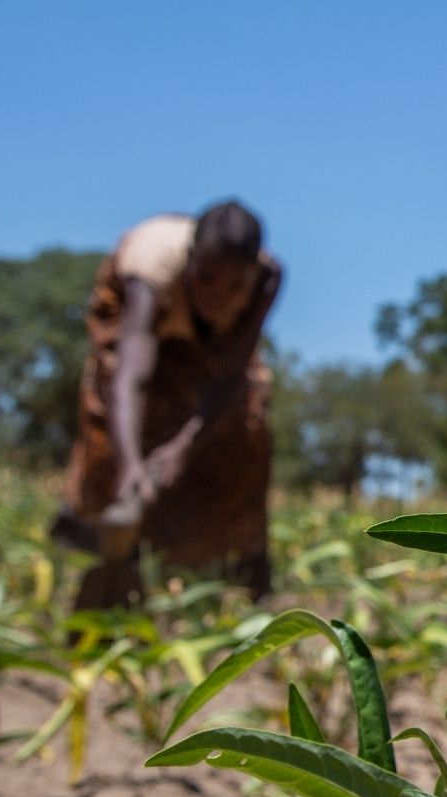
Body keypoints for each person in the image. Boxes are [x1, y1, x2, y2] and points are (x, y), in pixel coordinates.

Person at [52, 200, 283, 608]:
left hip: (212, 352)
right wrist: (130, 467)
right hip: (140, 334)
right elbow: (131, 377)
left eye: (235, 287)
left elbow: (230, 373)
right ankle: (97, 551)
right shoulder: (150, 273)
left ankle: (246, 575)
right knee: (111, 436)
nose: (219, 296)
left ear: (251, 279)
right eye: (207, 279)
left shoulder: (267, 279)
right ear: (190, 261)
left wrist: (183, 445)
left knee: (242, 431)